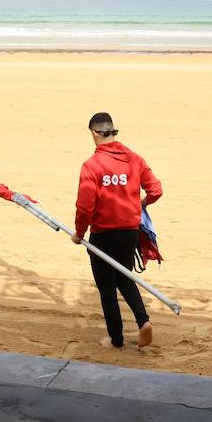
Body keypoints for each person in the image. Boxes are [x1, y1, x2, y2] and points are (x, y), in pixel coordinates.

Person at [72, 112, 161, 350]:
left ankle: (116, 339)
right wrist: (141, 203)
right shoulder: (134, 159)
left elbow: (85, 206)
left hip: (103, 234)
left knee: (107, 288)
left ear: (93, 133)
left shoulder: (92, 165)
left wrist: (79, 233)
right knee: (125, 277)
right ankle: (143, 321)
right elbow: (156, 190)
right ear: (113, 131)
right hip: (130, 232)